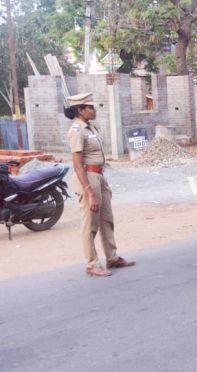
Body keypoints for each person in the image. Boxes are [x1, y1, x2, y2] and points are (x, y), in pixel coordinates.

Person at [65, 93, 134, 277]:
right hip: (87, 178)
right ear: (80, 110)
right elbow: (78, 164)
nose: (94, 110)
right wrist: (89, 191)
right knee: (91, 223)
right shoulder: (76, 130)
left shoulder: (90, 128)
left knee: (106, 219)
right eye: (90, 107)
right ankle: (92, 264)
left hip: (99, 176)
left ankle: (111, 257)